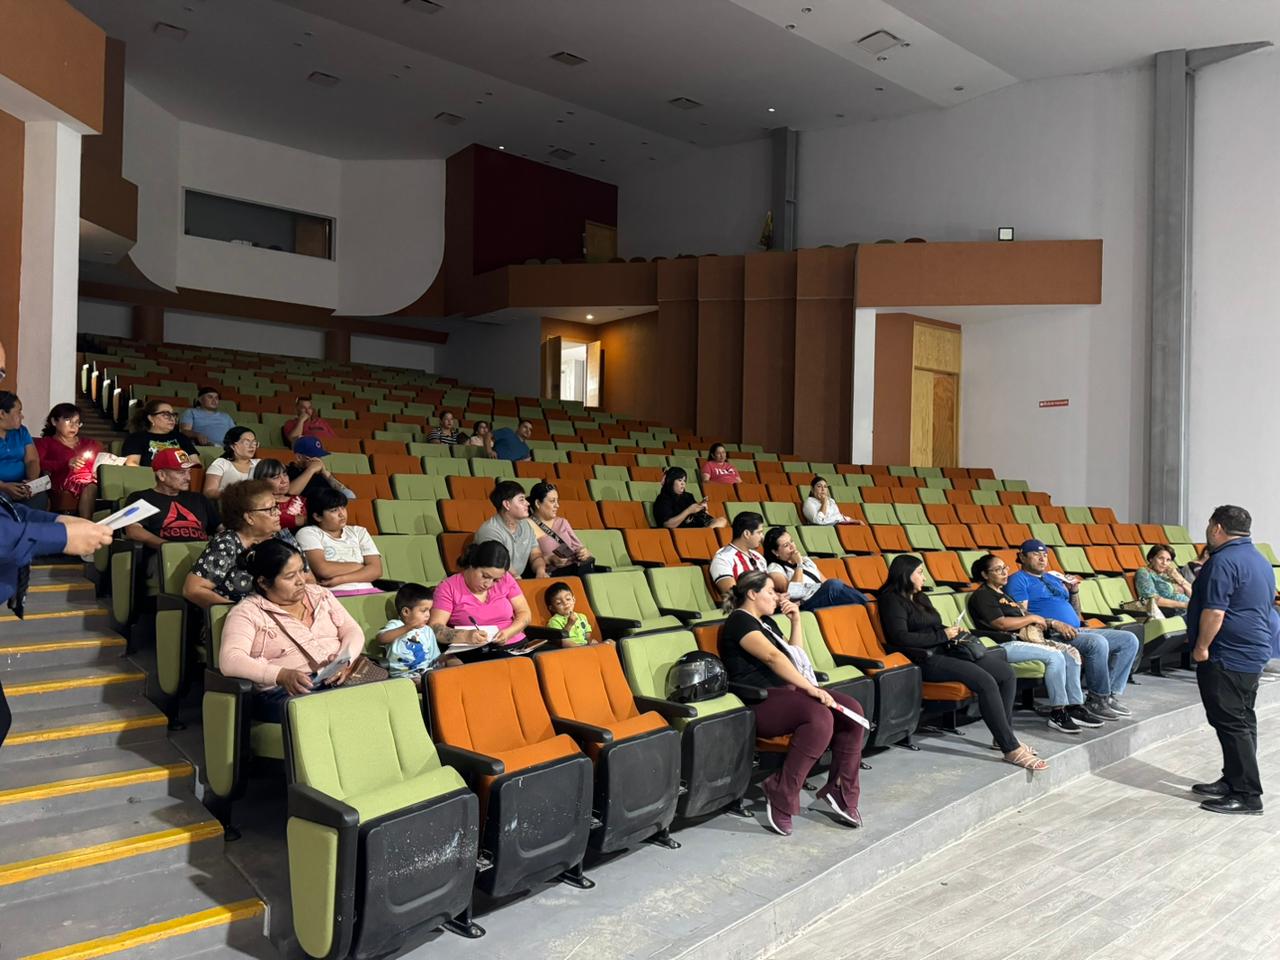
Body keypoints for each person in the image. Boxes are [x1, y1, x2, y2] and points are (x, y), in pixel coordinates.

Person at [718, 571, 866, 835]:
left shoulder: (766, 623)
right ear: (752, 593)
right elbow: (773, 658)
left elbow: (793, 656)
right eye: (771, 592)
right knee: (819, 717)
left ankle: (840, 789)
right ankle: (782, 791)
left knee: (852, 711)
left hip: (789, 694)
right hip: (760, 699)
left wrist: (796, 621)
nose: (777, 597)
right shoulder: (739, 621)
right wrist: (810, 688)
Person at [879, 555, 1046, 772]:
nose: (924, 577)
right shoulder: (891, 600)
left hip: (945, 649)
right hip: (923, 658)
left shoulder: (920, 597)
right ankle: (1010, 748)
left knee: (1005, 673)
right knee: (985, 681)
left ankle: (1003, 736)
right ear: (905, 574)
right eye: (919, 573)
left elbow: (934, 625)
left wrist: (952, 631)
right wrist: (943, 635)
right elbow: (900, 637)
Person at [0, 338, 113, 616]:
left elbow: (30, 466)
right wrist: (62, 535)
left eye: (2, 373)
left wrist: (58, 520)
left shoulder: (22, 433)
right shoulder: (49, 443)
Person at [1186, 505, 1275, 815]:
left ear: (1217, 528)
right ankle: (1233, 779)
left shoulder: (1223, 562)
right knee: (1242, 719)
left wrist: (1201, 647)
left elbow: (1215, 612)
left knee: (1232, 723)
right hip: (1251, 651)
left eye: (1209, 525)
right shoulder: (1259, 560)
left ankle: (1247, 795)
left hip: (1227, 654)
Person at [218, 539, 364, 722]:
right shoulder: (247, 612)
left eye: (302, 571)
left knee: (384, 697)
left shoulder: (320, 594)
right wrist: (281, 675)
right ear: (263, 582)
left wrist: (345, 659)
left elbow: (352, 630)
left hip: (338, 677)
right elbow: (231, 660)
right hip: (286, 691)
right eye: (290, 577)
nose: (301, 581)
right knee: (340, 712)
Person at [967, 553, 1106, 734]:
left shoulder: (1004, 595)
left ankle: (1074, 707)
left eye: (1005, 568)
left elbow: (1024, 614)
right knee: (1055, 656)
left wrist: (1049, 622)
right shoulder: (983, 595)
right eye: (998, 569)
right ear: (985, 575)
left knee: (1071, 653)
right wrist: (1032, 618)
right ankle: (1058, 712)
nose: (1004, 572)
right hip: (1004, 644)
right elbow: (1000, 623)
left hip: (1026, 640)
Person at [1006, 539, 1140, 721]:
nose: (1042, 559)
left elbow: (1075, 614)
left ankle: (1109, 695)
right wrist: (1053, 622)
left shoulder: (1053, 578)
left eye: (1045, 555)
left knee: (1129, 640)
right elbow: (1022, 613)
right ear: (1022, 557)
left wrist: (1074, 591)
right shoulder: (1018, 580)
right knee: (1097, 643)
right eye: (1036, 554)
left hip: (1075, 630)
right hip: (1049, 634)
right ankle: (1097, 699)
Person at [183, 479, 306, 609]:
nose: (279, 513)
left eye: (276, 507)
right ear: (249, 517)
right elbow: (193, 590)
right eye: (271, 509)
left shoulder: (283, 538)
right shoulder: (227, 544)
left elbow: (308, 579)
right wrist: (244, 612)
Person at [428, 540, 531, 646]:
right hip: (474, 648)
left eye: (496, 580)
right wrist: (465, 636)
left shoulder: (506, 579)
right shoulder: (448, 587)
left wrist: (509, 632)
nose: (488, 584)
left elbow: (524, 613)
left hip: (516, 643)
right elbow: (435, 628)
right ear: (472, 565)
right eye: (485, 576)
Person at [123, 449, 218, 552]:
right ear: (162, 475)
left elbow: (221, 528)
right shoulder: (141, 498)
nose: (189, 478)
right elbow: (133, 530)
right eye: (182, 472)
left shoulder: (199, 499)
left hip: (204, 556)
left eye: (189, 472)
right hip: (163, 556)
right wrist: (168, 547)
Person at [295, 487, 383, 596]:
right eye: (334, 510)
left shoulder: (359, 532)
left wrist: (341, 579)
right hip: (332, 594)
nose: (342, 514)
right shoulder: (307, 533)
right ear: (317, 516)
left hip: (368, 592)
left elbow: (376, 570)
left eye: (343, 508)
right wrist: (359, 567)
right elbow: (323, 569)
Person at [762, 526, 870, 611]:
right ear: (775, 552)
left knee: (836, 586)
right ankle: (870, 606)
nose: (792, 546)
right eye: (786, 545)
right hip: (805, 604)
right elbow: (793, 591)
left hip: (821, 596)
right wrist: (799, 564)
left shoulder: (806, 560)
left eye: (792, 541)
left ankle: (869, 606)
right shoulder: (774, 568)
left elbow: (824, 582)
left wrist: (801, 561)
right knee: (834, 585)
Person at [377, 583, 455, 682]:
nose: (428, 615)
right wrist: (408, 627)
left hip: (426, 671)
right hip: (404, 676)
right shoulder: (396, 625)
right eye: (423, 611)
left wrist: (446, 658)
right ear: (406, 612)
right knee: (424, 682)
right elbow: (381, 638)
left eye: (429, 610)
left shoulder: (427, 630)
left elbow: (434, 657)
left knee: (452, 659)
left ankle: (461, 680)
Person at [34, 403, 100, 518]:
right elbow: (38, 463)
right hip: (62, 480)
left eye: (77, 422)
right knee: (90, 486)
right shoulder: (46, 443)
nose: (73, 426)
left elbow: (98, 461)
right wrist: (66, 464)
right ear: (54, 421)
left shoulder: (90, 443)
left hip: (91, 478)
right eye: (68, 421)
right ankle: (87, 525)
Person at [475, 480, 546, 579]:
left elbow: (536, 554)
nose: (527, 503)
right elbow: (500, 565)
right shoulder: (490, 530)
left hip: (516, 579)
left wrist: (540, 571)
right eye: (521, 500)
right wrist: (518, 580)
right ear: (507, 504)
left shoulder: (526, 525)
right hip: (493, 581)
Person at [528, 482, 595, 577]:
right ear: (538, 503)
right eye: (552, 501)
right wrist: (549, 559)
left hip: (576, 570)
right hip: (551, 576)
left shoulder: (562, 522)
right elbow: (524, 561)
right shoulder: (527, 525)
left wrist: (584, 552)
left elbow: (579, 548)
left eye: (557, 501)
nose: (557, 505)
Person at [122, 399, 198, 467]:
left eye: (173, 415)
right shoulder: (136, 438)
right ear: (151, 418)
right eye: (166, 414)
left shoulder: (181, 438)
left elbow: (196, 464)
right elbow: (132, 464)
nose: (172, 418)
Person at [710, 511, 768, 596]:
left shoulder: (758, 557)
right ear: (746, 534)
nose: (762, 537)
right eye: (759, 532)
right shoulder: (723, 558)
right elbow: (733, 595)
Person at [653, 466, 727, 530]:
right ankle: (705, 533)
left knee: (722, 520)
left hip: (699, 528)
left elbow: (703, 518)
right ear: (671, 481)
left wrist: (703, 509)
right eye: (680, 480)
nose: (683, 483)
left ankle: (705, 533)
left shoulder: (688, 496)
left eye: (684, 481)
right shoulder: (662, 499)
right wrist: (689, 511)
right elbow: (668, 525)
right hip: (683, 532)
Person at [0, 391, 40, 505]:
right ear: (2, 414)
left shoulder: (22, 431)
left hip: (21, 486)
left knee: (39, 499)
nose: (22, 416)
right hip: (2, 488)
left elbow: (32, 460)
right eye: (18, 412)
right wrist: (4, 487)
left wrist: (31, 482)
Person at [286, 437, 354, 503]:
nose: (318, 461)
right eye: (314, 457)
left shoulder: (321, 474)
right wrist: (311, 470)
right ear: (299, 457)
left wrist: (326, 474)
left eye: (320, 456)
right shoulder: (288, 472)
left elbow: (350, 496)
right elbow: (291, 492)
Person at [202, 426, 260, 499]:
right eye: (247, 442)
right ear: (233, 446)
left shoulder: (259, 464)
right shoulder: (221, 463)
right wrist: (233, 494)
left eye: (254, 442)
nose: (252, 446)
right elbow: (209, 491)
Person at [252, 459, 308, 531]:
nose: (284, 481)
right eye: (276, 477)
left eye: (285, 474)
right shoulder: (262, 507)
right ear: (261, 482)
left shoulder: (299, 499)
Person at [1135, 545, 1192, 613]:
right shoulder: (1144, 572)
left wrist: (1179, 579)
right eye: (1161, 558)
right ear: (1151, 558)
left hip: (1188, 609)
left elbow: (1193, 595)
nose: (1164, 563)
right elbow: (1152, 600)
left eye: (1168, 560)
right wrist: (1185, 605)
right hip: (1172, 612)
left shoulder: (1170, 573)